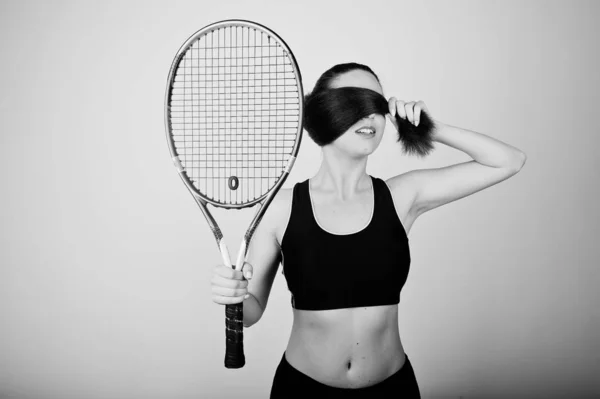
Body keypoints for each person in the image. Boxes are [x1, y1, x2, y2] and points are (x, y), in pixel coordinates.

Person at [210, 62, 527, 398]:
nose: (371, 116)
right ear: (322, 113)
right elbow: (251, 312)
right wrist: (235, 295)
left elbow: (509, 160)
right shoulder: (280, 208)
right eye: (354, 103)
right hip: (302, 389)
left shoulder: (402, 196)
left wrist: (429, 128)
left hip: (393, 389)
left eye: (377, 106)